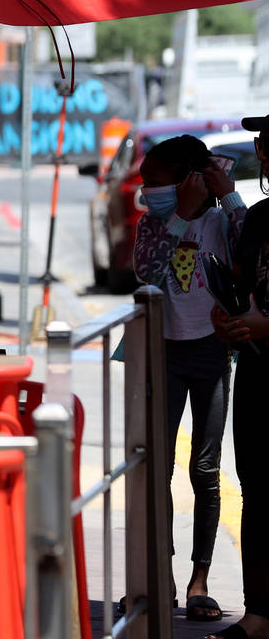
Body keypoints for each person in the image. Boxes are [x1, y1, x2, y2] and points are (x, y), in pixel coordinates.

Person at [131, 134, 245, 623]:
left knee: (204, 468)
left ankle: (200, 580)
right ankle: (162, 576)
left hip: (211, 354)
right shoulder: (152, 226)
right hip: (164, 354)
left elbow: (252, 248)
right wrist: (178, 213)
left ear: (186, 180)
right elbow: (148, 274)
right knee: (155, 469)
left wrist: (229, 194)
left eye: (154, 183)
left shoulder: (222, 223)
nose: (145, 191)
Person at [206, 115, 269, 639]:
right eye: (262, 143)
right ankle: (259, 614)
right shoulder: (261, 219)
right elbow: (244, 288)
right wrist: (229, 320)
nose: (263, 152)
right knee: (257, 492)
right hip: (257, 375)